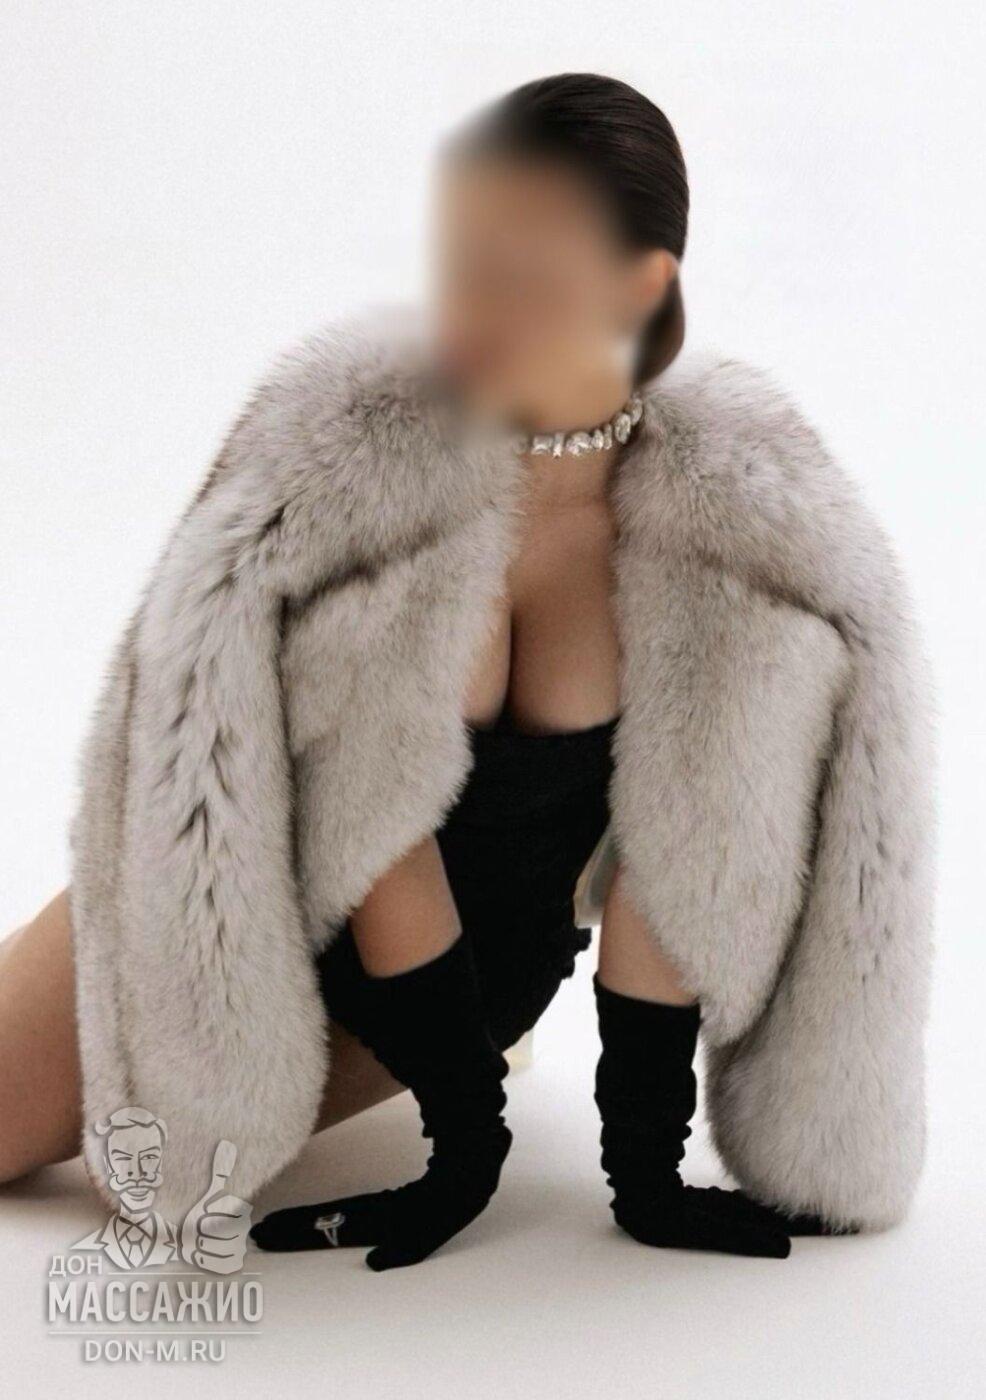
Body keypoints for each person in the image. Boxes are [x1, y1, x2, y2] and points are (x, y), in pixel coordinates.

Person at [0, 73, 934, 1272]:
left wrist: (641, 1167)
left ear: (639, 283)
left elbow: (690, 839)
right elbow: (292, 769)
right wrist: (463, 1138)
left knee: (118, 1154)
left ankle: (479, 1054)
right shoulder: (340, 463)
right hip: (239, 920)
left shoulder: (743, 534)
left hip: (464, 978)